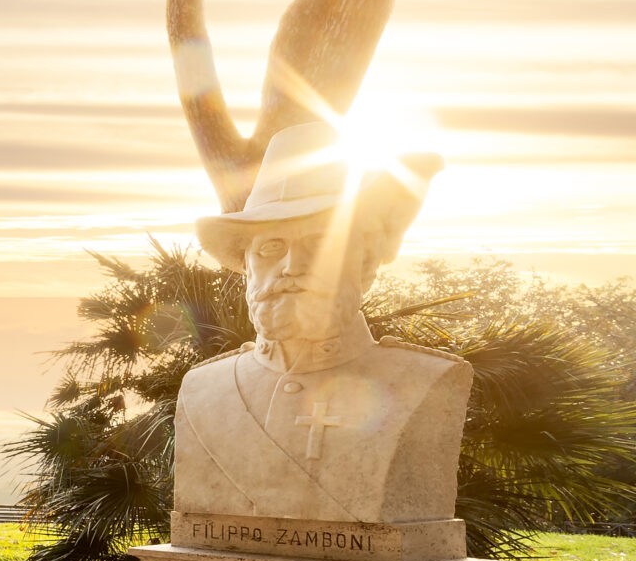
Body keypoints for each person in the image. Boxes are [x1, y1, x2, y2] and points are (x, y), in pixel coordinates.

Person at [174, 121, 468, 524]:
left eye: (320, 245)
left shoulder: (424, 379)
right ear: (247, 268)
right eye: (271, 248)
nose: (292, 267)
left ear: (364, 265)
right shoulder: (202, 388)